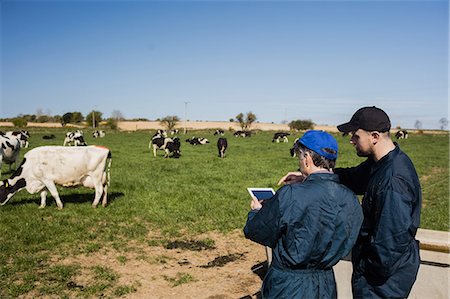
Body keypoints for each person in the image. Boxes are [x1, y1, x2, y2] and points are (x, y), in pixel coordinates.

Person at [280, 107, 422, 298]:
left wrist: (367, 269)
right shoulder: (382, 163)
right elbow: (353, 177)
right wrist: (310, 176)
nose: (351, 140)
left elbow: (390, 241)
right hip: (380, 270)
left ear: (374, 136)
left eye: (356, 136)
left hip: (382, 279)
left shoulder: (393, 180)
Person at [244, 130, 363, 299]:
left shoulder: (291, 194)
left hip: (288, 285)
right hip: (326, 284)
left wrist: (257, 211)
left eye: (300, 157)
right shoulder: (350, 199)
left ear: (307, 158)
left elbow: (256, 231)